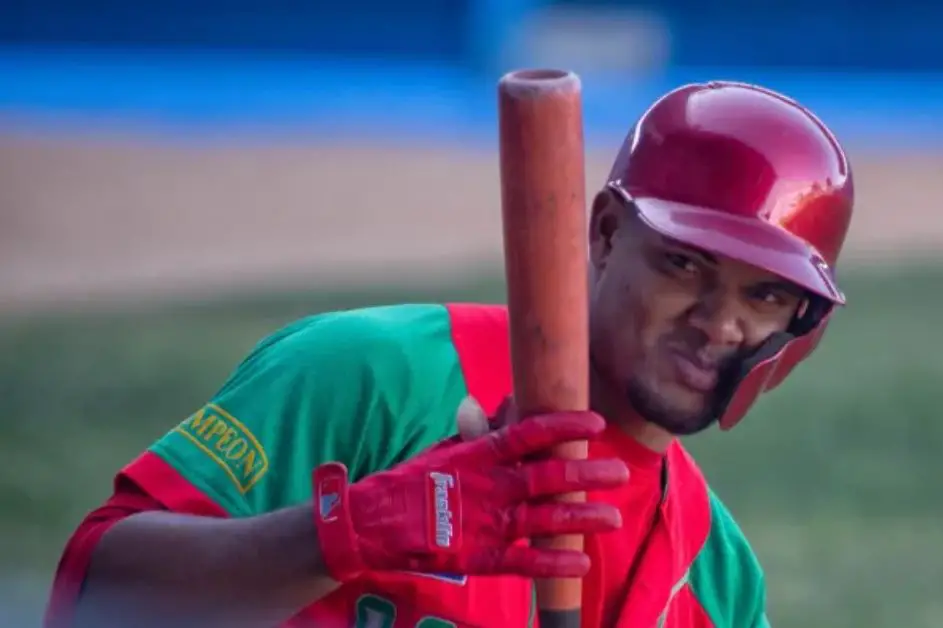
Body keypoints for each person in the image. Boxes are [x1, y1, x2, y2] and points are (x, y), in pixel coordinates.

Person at [44, 80, 854, 628]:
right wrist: (346, 534)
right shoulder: (375, 376)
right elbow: (93, 597)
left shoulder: (718, 578)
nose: (719, 323)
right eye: (685, 265)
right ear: (606, 234)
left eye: (765, 296)